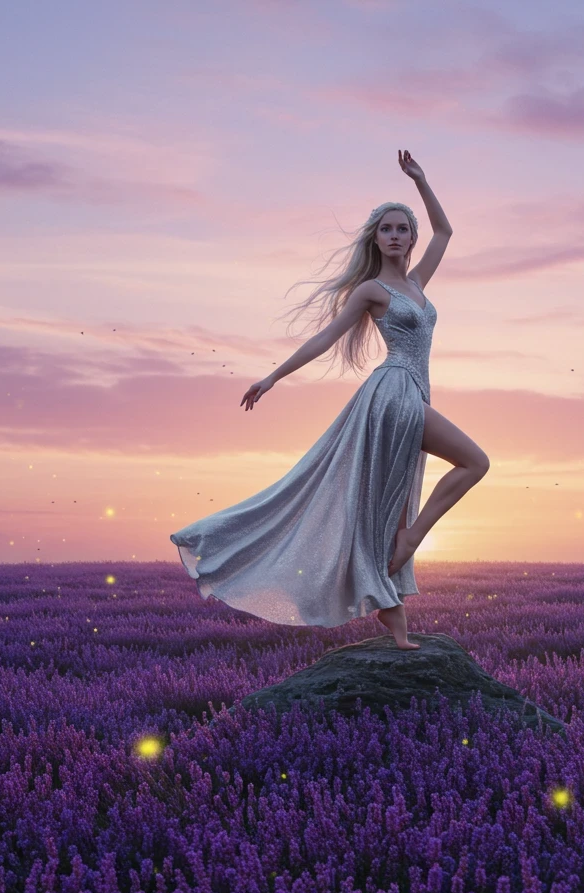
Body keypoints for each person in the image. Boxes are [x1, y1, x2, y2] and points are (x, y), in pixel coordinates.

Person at [170, 150, 489, 649]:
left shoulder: (417, 283)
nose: (395, 235)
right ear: (375, 239)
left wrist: (422, 181)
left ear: (411, 238)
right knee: (474, 462)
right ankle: (410, 540)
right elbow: (325, 338)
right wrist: (274, 376)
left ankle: (394, 608)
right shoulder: (372, 290)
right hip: (393, 393)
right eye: (386, 229)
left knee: (389, 504)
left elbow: (445, 232)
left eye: (403, 229)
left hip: (413, 391)